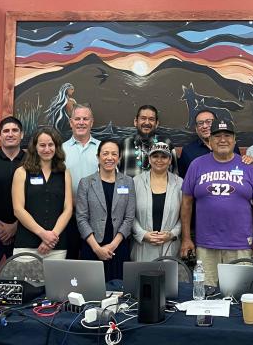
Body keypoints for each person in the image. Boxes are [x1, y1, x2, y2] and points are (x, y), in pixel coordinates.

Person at [180, 119, 253, 286]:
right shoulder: (197, 165)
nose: (223, 140)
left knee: (239, 294)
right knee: (206, 294)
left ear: (234, 140)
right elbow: (186, 203)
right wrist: (186, 238)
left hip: (240, 244)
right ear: (209, 141)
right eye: (217, 136)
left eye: (227, 135)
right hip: (205, 245)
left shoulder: (247, 166)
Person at [76, 140, 136, 281]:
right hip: (92, 247)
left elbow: (129, 218)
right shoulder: (86, 183)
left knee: (118, 294)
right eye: (105, 153)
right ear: (98, 157)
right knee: (91, 293)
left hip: (118, 248)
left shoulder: (128, 182)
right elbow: (81, 218)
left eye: (114, 154)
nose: (110, 157)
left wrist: (113, 245)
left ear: (119, 158)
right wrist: (97, 248)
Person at [11, 126, 73, 259]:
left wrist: (52, 237)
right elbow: (18, 210)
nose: (47, 149)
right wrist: (43, 234)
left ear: (56, 147)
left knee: (54, 280)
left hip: (56, 246)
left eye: (51, 145)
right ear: (35, 147)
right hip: (26, 245)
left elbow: (68, 209)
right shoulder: (21, 172)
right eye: (42, 145)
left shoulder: (64, 173)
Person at [0, 116, 26, 274]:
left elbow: (35, 199)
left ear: (21, 135)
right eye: (6, 131)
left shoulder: (32, 163)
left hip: (23, 232)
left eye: (15, 130)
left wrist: (15, 226)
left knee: (22, 281)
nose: (10, 134)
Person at [132, 142, 183, 260]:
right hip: (143, 248)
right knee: (142, 278)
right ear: (149, 159)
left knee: (169, 278)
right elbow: (129, 214)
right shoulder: (135, 182)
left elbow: (184, 216)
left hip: (170, 247)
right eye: (155, 156)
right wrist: (143, 234)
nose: (159, 160)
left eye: (164, 157)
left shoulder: (180, 183)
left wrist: (172, 234)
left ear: (170, 160)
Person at [62, 104, 101, 258]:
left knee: (93, 263)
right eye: (77, 119)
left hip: (96, 218)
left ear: (92, 122)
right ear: (71, 122)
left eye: (85, 119)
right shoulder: (60, 150)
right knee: (68, 264)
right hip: (68, 218)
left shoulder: (103, 150)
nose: (81, 122)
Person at [120, 105, 178, 177]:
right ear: (135, 121)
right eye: (143, 118)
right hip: (131, 188)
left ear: (156, 124)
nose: (147, 123)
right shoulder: (125, 144)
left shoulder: (166, 143)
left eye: (151, 119)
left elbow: (175, 174)